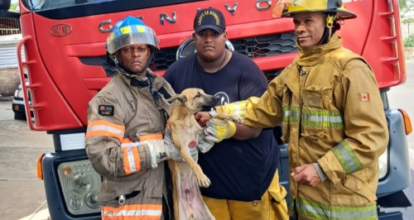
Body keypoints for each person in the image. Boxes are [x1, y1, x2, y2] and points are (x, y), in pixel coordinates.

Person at [200, 1, 389, 219]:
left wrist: (322, 169)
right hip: (307, 206)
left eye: (308, 21)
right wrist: (216, 113)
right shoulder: (295, 71)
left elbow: (370, 137)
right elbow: (262, 108)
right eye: (296, 22)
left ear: (330, 21)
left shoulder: (350, 69)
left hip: (344, 206)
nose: (299, 28)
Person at [163, 7, 289, 220]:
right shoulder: (177, 73)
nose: (208, 40)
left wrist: (227, 128)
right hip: (206, 193)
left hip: (251, 188)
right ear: (194, 37)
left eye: (214, 34)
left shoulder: (246, 71)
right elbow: (163, 117)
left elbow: (257, 126)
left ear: (225, 36)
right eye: (202, 34)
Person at [85, 16, 196, 220]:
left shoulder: (161, 88)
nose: (136, 54)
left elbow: (179, 128)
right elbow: (104, 158)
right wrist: (158, 151)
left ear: (150, 52)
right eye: (128, 49)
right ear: (116, 55)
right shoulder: (108, 100)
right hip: (132, 208)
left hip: (168, 201)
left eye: (141, 49)